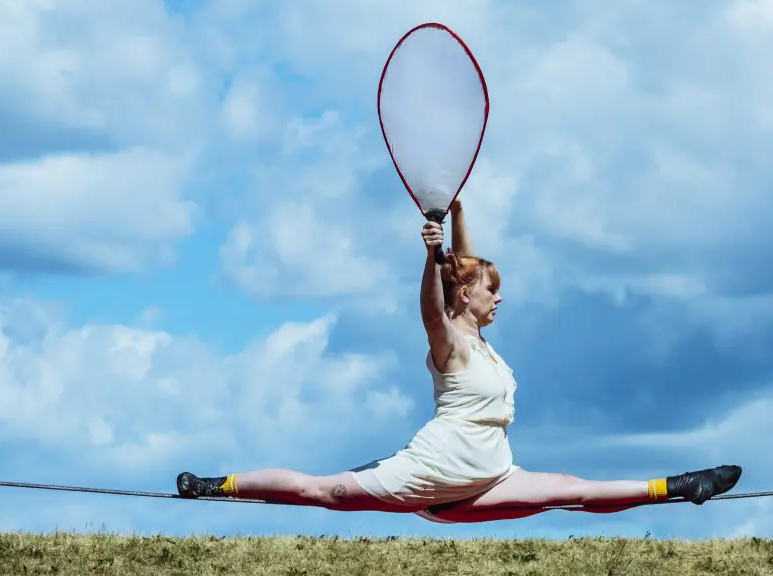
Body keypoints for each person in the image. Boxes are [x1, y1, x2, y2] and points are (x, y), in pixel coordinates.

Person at [176, 198, 741, 523]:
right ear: (467, 297)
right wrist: (429, 255)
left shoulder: (488, 346)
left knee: (569, 489)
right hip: (429, 474)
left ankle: (679, 485)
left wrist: (461, 215)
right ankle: (217, 485)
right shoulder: (449, 341)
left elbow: (464, 273)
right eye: (491, 290)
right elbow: (434, 302)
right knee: (322, 492)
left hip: (488, 476)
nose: (499, 297)